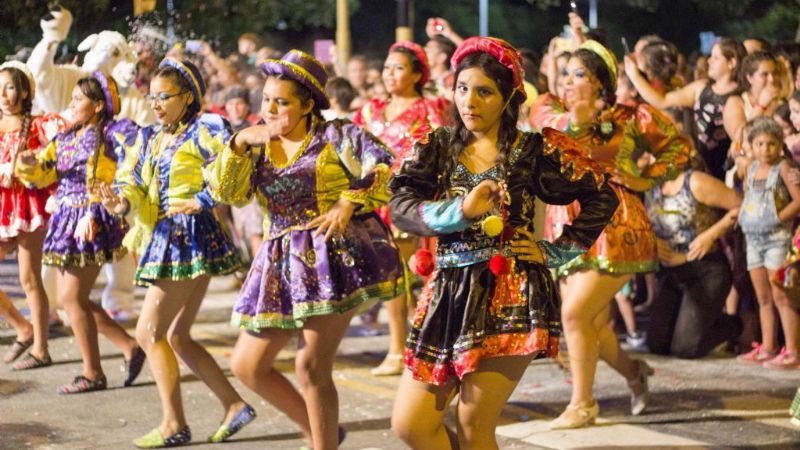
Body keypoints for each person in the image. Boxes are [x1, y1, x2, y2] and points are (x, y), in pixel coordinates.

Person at [388, 37, 618, 450]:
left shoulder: (533, 150)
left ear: (509, 96)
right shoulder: (436, 147)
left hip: (511, 293)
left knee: (474, 424)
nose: (469, 101)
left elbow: (603, 194)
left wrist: (556, 251)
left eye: (484, 92)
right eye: (462, 88)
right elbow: (401, 205)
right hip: (446, 295)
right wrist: (460, 209)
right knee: (411, 424)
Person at [205, 49, 405, 450]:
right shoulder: (255, 142)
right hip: (279, 260)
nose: (271, 109)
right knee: (247, 365)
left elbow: (386, 167)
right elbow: (227, 193)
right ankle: (323, 433)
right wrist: (240, 142)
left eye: (282, 102)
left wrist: (349, 202)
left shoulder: (338, 135)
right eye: (266, 100)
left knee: (310, 366)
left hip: (330, 257)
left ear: (307, 104)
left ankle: (322, 444)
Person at [530, 40, 692, 427]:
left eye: (579, 74)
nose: (567, 81)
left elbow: (679, 148)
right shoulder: (548, 109)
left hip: (615, 226)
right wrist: (581, 118)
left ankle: (582, 405)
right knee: (593, 326)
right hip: (567, 228)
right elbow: (551, 131)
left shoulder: (632, 117)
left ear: (601, 83)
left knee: (573, 314)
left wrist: (645, 176)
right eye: (565, 73)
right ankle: (634, 373)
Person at [98, 58, 253, 447]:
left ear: (187, 97)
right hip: (166, 235)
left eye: (163, 96)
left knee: (149, 333)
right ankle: (234, 405)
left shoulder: (208, 128)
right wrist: (119, 202)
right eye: (151, 97)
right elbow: (133, 182)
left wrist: (201, 198)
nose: (155, 104)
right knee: (177, 336)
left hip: (188, 237)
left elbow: (234, 171)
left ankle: (174, 424)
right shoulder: (149, 137)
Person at [15, 71, 146, 387]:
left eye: (78, 99)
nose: (71, 105)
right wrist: (28, 163)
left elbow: (140, 155)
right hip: (65, 220)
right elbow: (43, 176)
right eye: (72, 99)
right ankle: (129, 347)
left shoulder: (116, 131)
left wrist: (113, 197)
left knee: (72, 298)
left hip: (93, 218)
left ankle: (93, 373)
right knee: (74, 299)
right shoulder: (65, 137)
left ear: (99, 105)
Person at [353, 41, 450, 376]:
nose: (390, 74)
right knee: (391, 277)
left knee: (404, 274)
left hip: (408, 201)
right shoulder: (370, 110)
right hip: (374, 201)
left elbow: (440, 152)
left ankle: (406, 348)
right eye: (387, 68)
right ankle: (402, 346)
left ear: (416, 74)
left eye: (398, 68)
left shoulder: (429, 108)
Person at [0, 61, 66, 370]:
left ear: (25, 91)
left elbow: (58, 157)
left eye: (10, 86)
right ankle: (22, 328)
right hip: (3, 208)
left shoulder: (40, 126)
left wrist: (33, 162)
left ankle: (41, 348)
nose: (3, 94)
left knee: (29, 278)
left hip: (30, 207)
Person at [644, 157, 744, 358]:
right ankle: (696, 323)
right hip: (674, 273)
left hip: (707, 271)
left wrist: (711, 235)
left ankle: (733, 324)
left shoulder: (694, 181)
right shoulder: (653, 186)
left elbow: (742, 205)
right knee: (656, 343)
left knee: (685, 348)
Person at [625, 38, 746, 180]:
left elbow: (741, 140)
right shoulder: (701, 88)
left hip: (727, 172)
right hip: (703, 170)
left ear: (732, 63)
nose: (709, 61)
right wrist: (634, 74)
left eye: (716, 58)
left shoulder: (739, 98)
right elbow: (662, 101)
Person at [736, 117, 800, 369]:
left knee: (780, 295)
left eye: (771, 144)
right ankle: (768, 346)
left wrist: (776, 217)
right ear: (752, 145)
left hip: (776, 239)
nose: (765, 149)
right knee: (762, 297)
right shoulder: (751, 168)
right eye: (760, 143)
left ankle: (793, 351)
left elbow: (797, 200)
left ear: (780, 144)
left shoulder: (783, 168)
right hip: (753, 239)